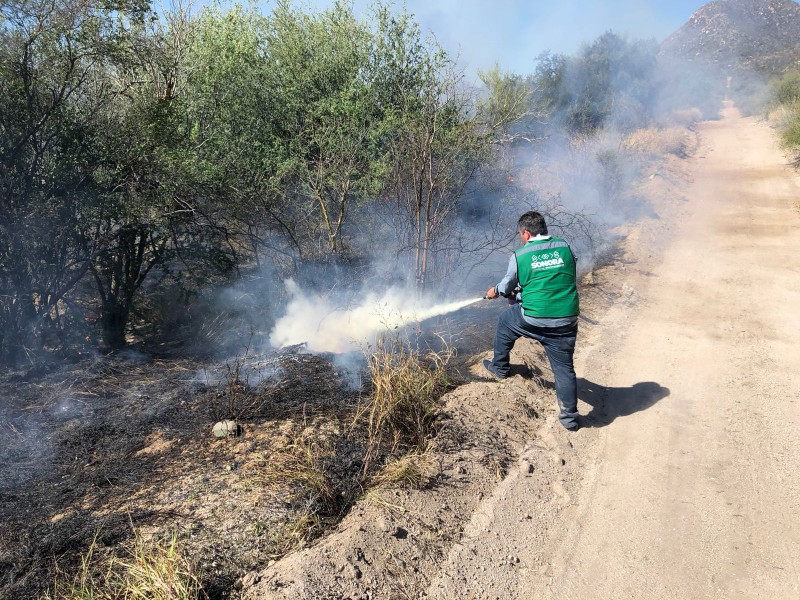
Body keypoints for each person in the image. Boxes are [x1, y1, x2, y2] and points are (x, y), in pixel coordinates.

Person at [483, 211, 581, 431]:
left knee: (505, 320)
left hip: (536, 317)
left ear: (526, 233)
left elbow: (506, 287)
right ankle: (570, 419)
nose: (520, 238)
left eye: (520, 234)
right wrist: (523, 292)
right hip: (567, 318)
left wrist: (494, 292)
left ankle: (499, 368)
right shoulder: (565, 245)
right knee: (564, 369)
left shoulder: (520, 256)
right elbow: (563, 274)